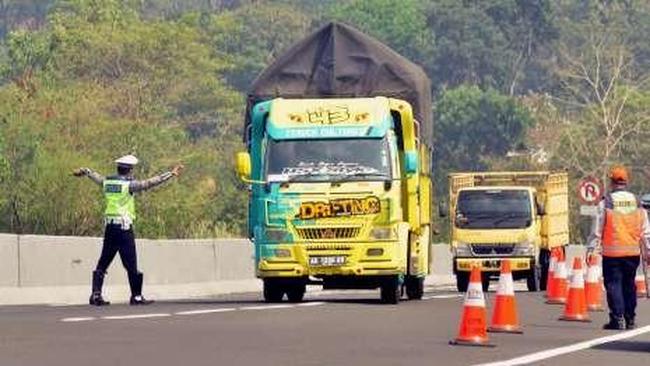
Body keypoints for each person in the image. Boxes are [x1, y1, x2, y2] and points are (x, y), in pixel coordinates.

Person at [73, 155, 184, 306]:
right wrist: (170, 174)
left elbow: (95, 176)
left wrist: (85, 171)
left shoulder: (107, 182)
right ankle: (136, 296)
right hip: (124, 229)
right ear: (129, 170)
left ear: (118, 168)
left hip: (110, 228)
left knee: (104, 261)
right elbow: (149, 183)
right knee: (131, 264)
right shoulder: (129, 185)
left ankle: (95, 295)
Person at [587, 166, 650, 330]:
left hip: (612, 252)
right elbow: (645, 229)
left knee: (614, 284)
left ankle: (617, 318)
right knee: (629, 284)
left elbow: (597, 230)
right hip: (632, 252)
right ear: (626, 181)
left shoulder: (606, 202)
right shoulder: (637, 202)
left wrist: (591, 249)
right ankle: (630, 319)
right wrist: (648, 250)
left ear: (612, 182)